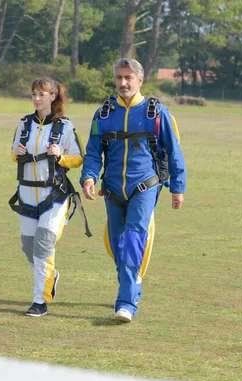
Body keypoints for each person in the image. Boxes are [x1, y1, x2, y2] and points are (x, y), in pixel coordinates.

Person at [80, 58, 186, 323]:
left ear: (140, 80)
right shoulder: (103, 113)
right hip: (113, 188)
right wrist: (89, 177)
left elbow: (174, 152)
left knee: (133, 240)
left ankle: (126, 302)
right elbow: (94, 151)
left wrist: (177, 188)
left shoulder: (156, 113)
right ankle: (133, 284)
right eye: (119, 77)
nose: (123, 83)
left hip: (145, 185)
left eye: (128, 78)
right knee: (117, 246)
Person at [9, 77, 86, 317]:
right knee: (29, 248)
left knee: (43, 246)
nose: (36, 98)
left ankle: (39, 301)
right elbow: (13, 154)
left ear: (53, 97)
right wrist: (16, 152)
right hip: (26, 196)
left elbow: (79, 157)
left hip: (54, 196)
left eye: (41, 94)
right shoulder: (23, 124)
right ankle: (49, 278)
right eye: (33, 93)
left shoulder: (65, 126)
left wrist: (60, 156)